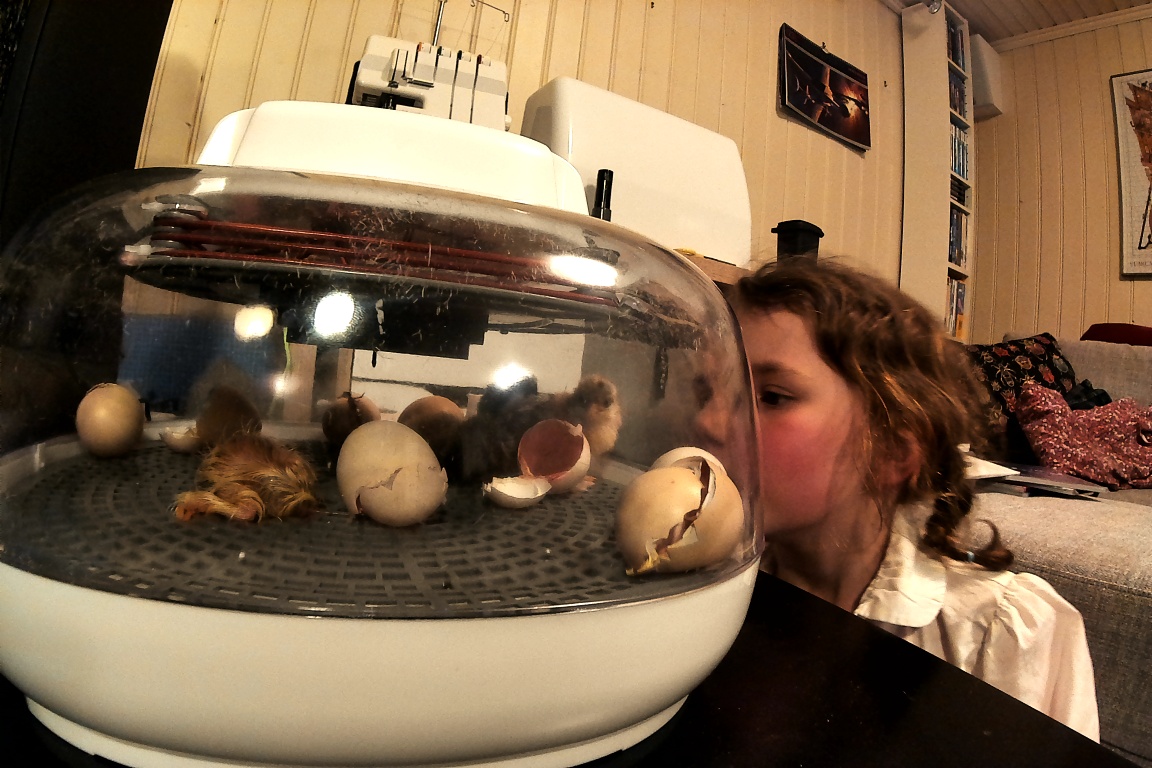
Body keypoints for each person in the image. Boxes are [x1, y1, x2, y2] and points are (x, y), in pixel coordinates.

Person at [705, 258, 1099, 740]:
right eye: (707, 391)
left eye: (771, 396)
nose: (708, 421)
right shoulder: (709, 586)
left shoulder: (998, 632)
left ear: (893, 450)